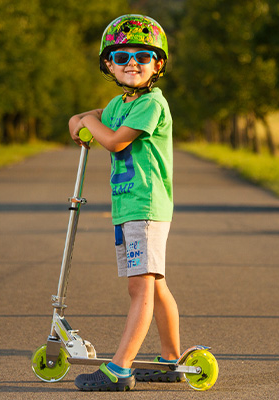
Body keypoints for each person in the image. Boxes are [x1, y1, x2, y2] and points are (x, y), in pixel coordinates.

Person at [68, 14, 182, 391]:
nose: (132, 62)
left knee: (140, 288)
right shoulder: (121, 103)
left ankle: (120, 368)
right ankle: (170, 360)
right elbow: (100, 119)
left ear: (158, 64)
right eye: (121, 57)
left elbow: (114, 140)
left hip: (145, 208)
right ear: (108, 64)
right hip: (130, 208)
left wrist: (86, 120)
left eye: (143, 55)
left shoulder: (152, 103)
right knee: (156, 285)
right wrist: (81, 117)